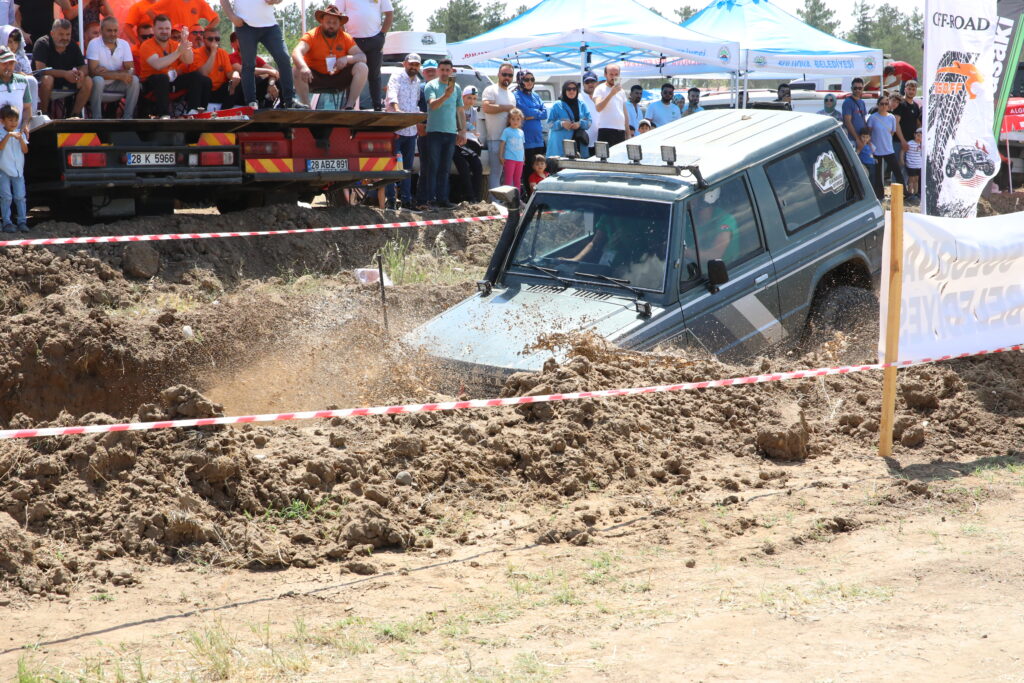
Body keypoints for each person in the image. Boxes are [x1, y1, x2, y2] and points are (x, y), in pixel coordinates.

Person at [220, 0, 297, 109]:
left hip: (270, 25)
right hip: (245, 25)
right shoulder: (233, 57)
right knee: (248, 64)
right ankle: (251, 102)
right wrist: (232, 16)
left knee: (284, 57)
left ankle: (290, 100)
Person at [292, 5, 367, 110]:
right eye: (328, 22)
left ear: (340, 24)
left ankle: (349, 106)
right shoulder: (311, 35)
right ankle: (307, 108)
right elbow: (296, 52)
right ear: (321, 21)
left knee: (362, 67)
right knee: (297, 69)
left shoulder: (346, 37)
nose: (331, 25)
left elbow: (362, 56)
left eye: (335, 23)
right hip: (314, 78)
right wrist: (304, 67)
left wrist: (347, 59)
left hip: (338, 78)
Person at [139, 16, 209, 117]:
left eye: (167, 29)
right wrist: (178, 52)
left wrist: (185, 43)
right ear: (154, 29)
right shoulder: (147, 45)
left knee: (197, 77)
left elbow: (189, 60)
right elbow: (157, 65)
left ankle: (194, 112)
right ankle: (163, 115)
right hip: (151, 84)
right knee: (162, 78)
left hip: (170, 82)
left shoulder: (175, 44)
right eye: (160, 28)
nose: (164, 31)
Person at [420, 58, 462, 209]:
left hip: (450, 132)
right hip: (434, 132)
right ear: (438, 70)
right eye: (442, 70)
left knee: (445, 168)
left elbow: (460, 110)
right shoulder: (431, 85)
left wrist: (462, 130)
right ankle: (430, 200)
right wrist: (445, 95)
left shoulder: (456, 87)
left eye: (447, 70)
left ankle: (443, 199)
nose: (444, 73)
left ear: (452, 71)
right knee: (433, 166)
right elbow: (432, 105)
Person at [338, 0, 391, 111]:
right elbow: (337, 13)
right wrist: (344, 36)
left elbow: (389, 13)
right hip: (352, 40)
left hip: (375, 38)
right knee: (352, 72)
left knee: (374, 74)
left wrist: (382, 35)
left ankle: (377, 105)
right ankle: (349, 105)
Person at [34, 19, 92, 118]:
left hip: (66, 81)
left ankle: (74, 115)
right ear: (52, 33)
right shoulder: (42, 43)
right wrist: (65, 74)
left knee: (88, 80)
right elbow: (41, 70)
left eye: (68, 34)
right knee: (48, 79)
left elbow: (84, 66)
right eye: (61, 34)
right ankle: (43, 114)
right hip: (42, 83)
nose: (65, 38)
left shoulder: (73, 45)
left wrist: (81, 73)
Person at [384, 51, 419, 209]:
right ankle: (390, 199)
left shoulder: (417, 81)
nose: (413, 67)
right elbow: (392, 95)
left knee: (407, 168)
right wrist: (397, 110)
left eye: (416, 64)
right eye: (411, 63)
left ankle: (406, 200)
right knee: (392, 166)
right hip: (396, 129)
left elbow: (416, 102)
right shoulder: (397, 76)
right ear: (405, 63)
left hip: (411, 131)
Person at [86, 16, 139, 119]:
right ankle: (97, 118)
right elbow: (93, 72)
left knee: (135, 80)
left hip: (115, 84)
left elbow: (131, 70)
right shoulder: (94, 43)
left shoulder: (124, 44)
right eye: (109, 30)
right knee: (98, 80)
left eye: (115, 30)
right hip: (98, 85)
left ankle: (128, 117)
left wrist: (109, 73)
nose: (113, 34)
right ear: (101, 31)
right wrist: (119, 75)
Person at [481, 61, 514, 189]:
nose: (507, 77)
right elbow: (486, 108)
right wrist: (507, 108)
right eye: (504, 74)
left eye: (510, 75)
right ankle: (495, 203)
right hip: (495, 138)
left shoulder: (511, 95)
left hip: (510, 140)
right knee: (495, 173)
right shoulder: (491, 89)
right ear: (498, 74)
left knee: (508, 174)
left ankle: (508, 202)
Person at [689, 186, 738, 270]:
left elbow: (714, 255)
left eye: (694, 198)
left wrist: (685, 253)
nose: (691, 202)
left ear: (708, 197)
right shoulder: (688, 216)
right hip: (691, 270)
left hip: (722, 273)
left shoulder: (725, 220)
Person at [866, 98, 904, 200]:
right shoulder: (872, 118)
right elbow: (868, 133)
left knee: (897, 171)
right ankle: (880, 195)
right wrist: (871, 145)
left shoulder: (891, 117)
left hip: (888, 149)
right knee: (878, 175)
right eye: (882, 104)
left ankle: (904, 193)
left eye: (886, 104)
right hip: (876, 150)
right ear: (878, 105)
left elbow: (892, 132)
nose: (884, 106)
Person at [514, 69, 545, 192]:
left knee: (539, 169)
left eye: (532, 79)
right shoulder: (516, 95)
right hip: (526, 141)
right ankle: (528, 198)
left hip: (538, 140)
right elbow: (524, 111)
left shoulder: (536, 96)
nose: (530, 82)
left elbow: (545, 113)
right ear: (520, 81)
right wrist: (536, 112)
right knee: (527, 171)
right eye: (526, 79)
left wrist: (533, 114)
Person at [193, 26, 238, 109]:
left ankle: (225, 113)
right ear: (204, 40)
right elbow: (204, 73)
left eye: (217, 39)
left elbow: (229, 73)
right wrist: (213, 52)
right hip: (204, 90)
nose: (214, 42)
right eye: (210, 39)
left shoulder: (223, 53)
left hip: (219, 90)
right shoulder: (197, 53)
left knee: (236, 83)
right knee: (206, 81)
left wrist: (235, 75)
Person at [227, 31, 276, 107]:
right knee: (251, 78)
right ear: (232, 45)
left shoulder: (255, 58)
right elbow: (243, 70)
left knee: (275, 81)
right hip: (239, 93)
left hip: (256, 91)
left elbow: (275, 72)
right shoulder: (231, 57)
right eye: (240, 39)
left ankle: (281, 106)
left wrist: (271, 84)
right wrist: (268, 71)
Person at [453, 85, 482, 203]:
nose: (472, 101)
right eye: (469, 98)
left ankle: (477, 198)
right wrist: (467, 129)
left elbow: (474, 128)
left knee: (478, 167)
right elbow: (457, 126)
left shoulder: (473, 111)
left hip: (468, 143)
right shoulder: (456, 108)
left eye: (474, 98)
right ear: (463, 97)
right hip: (455, 143)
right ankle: (469, 197)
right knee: (463, 167)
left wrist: (468, 130)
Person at [546, 80, 590, 157]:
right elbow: (549, 124)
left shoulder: (582, 104)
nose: (571, 91)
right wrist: (561, 123)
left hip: (578, 144)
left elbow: (589, 122)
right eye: (568, 89)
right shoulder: (557, 105)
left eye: (574, 89)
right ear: (564, 90)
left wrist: (579, 124)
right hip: (560, 145)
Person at [0, 27, 38, 113]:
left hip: (19, 86)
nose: (13, 45)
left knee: (31, 80)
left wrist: (22, 76)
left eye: (16, 42)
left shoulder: (22, 57)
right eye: (10, 42)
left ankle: (33, 114)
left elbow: (30, 75)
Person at [0, 103, 25, 232]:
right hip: (3, 170)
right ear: (2, 121)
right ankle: (7, 221)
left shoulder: (20, 134)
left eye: (16, 120)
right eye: (10, 120)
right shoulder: (1, 133)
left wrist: (21, 139)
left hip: (18, 171)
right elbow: (0, 147)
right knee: (6, 197)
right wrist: (8, 136)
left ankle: (22, 221)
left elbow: (25, 150)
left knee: (20, 196)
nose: (14, 123)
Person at [593, 63, 630, 145]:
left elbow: (624, 113)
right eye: (611, 74)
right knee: (605, 157)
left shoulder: (621, 91)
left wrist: (628, 133)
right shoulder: (600, 89)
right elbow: (598, 108)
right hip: (606, 130)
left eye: (616, 74)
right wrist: (611, 94)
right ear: (605, 75)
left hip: (620, 130)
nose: (613, 77)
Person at [893, 80, 920, 179]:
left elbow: (917, 123)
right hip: (899, 142)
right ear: (905, 89)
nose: (911, 91)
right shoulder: (900, 104)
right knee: (899, 168)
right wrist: (903, 140)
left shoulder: (916, 106)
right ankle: (897, 194)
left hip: (911, 143)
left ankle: (905, 193)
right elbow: (895, 123)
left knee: (908, 169)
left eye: (913, 89)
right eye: (909, 89)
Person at [0, 47, 29, 135]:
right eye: (4, 63)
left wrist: (25, 124)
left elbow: (27, 108)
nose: (8, 67)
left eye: (11, 63)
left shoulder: (23, 81)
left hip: (16, 137)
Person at [499, 107, 524, 189]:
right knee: (508, 180)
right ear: (509, 120)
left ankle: (517, 199)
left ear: (521, 120)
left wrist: (523, 158)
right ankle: (506, 200)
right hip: (510, 159)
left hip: (519, 160)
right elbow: (502, 143)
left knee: (517, 180)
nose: (515, 121)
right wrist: (500, 156)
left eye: (518, 119)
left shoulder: (521, 132)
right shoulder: (507, 131)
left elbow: (522, 145)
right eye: (513, 119)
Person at [579, 70, 600, 156]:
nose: (590, 84)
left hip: (599, 140)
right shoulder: (579, 97)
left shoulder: (601, 97)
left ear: (597, 83)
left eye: (592, 81)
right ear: (583, 84)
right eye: (587, 82)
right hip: (584, 140)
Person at [842, 77, 868, 144]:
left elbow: (864, 120)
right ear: (851, 89)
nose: (857, 90)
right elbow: (848, 122)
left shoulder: (862, 102)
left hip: (862, 139)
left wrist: (866, 137)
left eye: (860, 88)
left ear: (863, 88)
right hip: (853, 140)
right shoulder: (847, 102)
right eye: (855, 88)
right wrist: (857, 139)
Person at [905, 128, 922, 201]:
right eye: (918, 135)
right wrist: (904, 160)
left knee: (917, 179)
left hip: (919, 165)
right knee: (911, 179)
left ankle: (916, 193)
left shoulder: (922, 144)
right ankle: (910, 193)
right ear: (914, 135)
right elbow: (904, 151)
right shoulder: (910, 143)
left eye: (921, 136)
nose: (919, 138)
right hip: (911, 164)